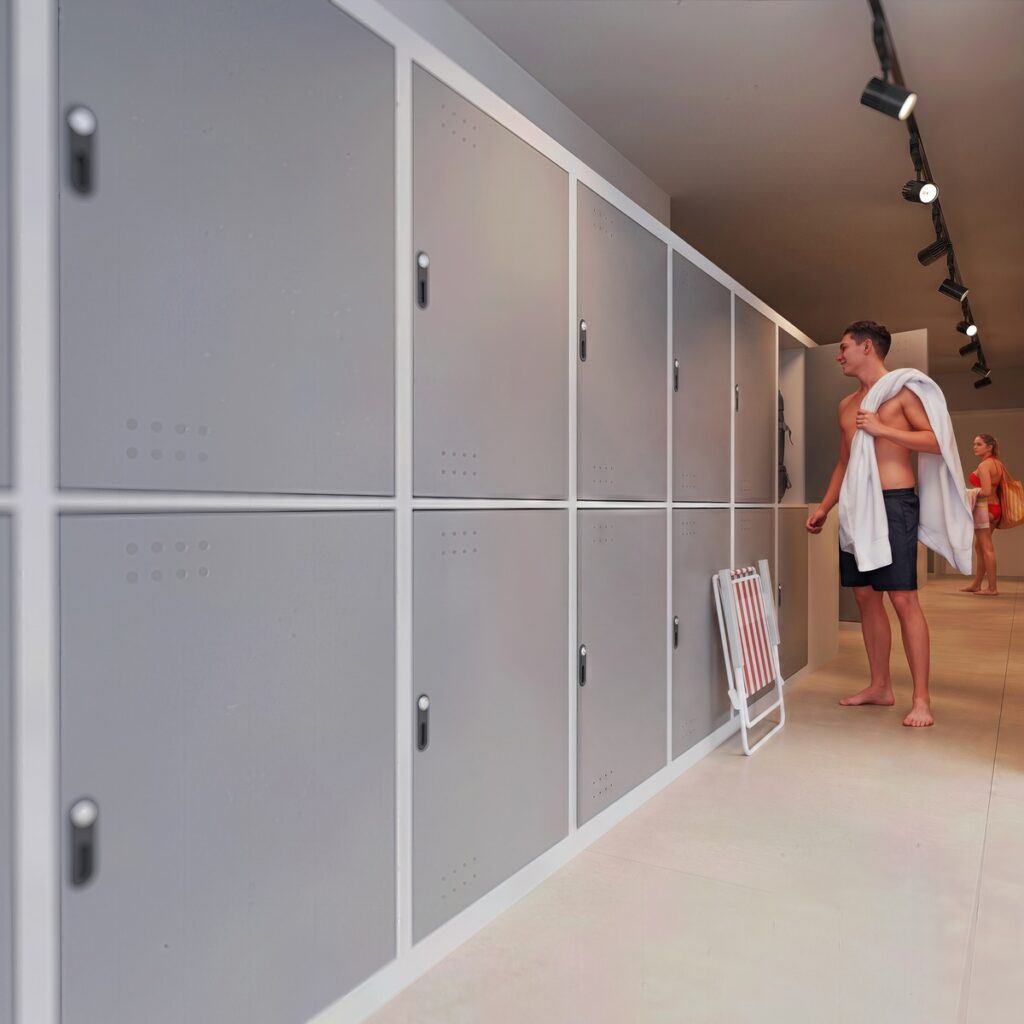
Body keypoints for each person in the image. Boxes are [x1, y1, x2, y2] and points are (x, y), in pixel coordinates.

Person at [806, 321, 948, 728]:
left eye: (844, 347)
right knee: (866, 598)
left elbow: (936, 441)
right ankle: (880, 686)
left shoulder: (902, 393)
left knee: (903, 599)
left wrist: (883, 428)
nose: (839, 356)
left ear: (867, 347)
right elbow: (844, 462)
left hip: (894, 503)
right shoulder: (846, 405)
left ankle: (921, 699)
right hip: (857, 506)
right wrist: (826, 507)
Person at [961, 433, 1005, 596]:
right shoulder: (998, 464)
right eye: (974, 444)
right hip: (995, 508)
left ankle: (992, 588)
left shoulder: (984, 465)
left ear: (989, 447)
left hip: (986, 509)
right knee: (979, 546)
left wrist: (966, 493)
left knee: (986, 547)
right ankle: (977, 584)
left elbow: (985, 491)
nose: (975, 447)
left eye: (979, 444)